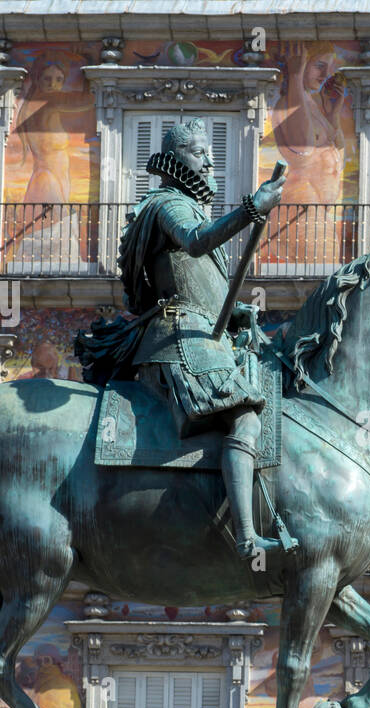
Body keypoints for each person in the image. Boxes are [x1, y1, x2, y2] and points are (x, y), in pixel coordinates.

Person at [95, 118, 288, 559]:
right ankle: (247, 538)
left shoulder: (187, 204)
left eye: (209, 152)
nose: (210, 160)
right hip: (179, 337)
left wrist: (235, 310)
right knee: (246, 418)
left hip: (201, 332)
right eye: (200, 152)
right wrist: (251, 208)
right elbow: (196, 243)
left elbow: (201, 284)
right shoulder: (167, 204)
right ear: (175, 158)